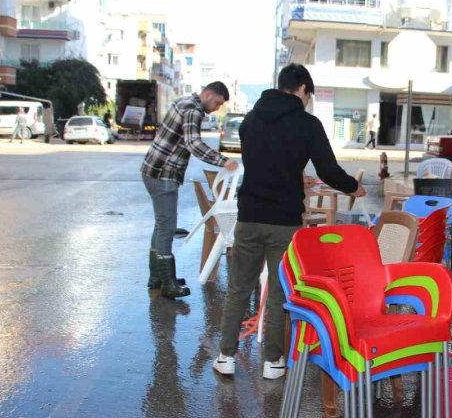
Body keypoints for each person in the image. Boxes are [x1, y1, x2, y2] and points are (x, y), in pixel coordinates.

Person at [213, 64, 364, 380]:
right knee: (280, 291)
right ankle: (272, 361)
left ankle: (225, 356)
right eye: (309, 95)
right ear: (303, 90)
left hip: (250, 217)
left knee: (240, 287)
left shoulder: (251, 120)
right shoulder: (307, 124)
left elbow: (266, 163)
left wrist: (297, 178)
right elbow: (328, 170)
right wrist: (353, 186)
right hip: (284, 221)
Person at [141, 82, 239, 299]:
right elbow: (193, 144)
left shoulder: (183, 101)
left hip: (153, 169)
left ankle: (157, 277)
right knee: (166, 226)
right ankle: (167, 284)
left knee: (161, 225)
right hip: (163, 173)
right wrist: (222, 161)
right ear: (207, 94)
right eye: (216, 102)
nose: (216, 108)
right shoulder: (194, 111)